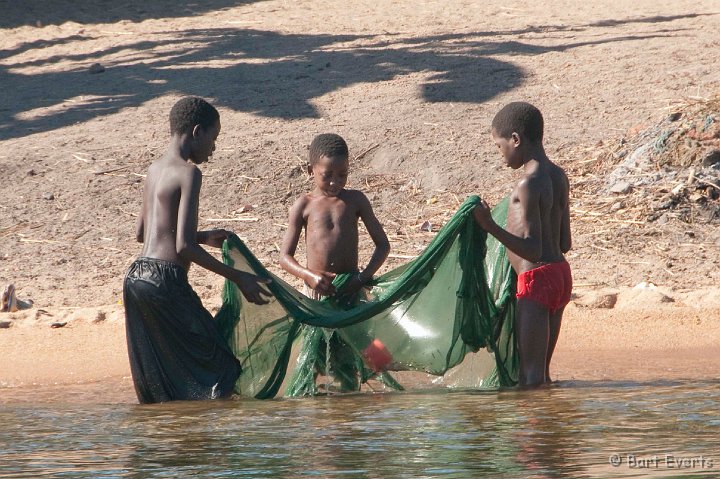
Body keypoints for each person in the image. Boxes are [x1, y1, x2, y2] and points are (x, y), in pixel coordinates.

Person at [123, 96, 272, 404]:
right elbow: (183, 246)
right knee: (220, 367)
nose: (213, 148)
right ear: (196, 132)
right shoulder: (189, 173)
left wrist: (204, 235)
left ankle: (174, 437)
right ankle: (210, 443)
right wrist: (238, 277)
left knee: (161, 372)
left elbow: (143, 233)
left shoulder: (154, 169)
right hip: (166, 281)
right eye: (213, 139)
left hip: (136, 278)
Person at [280, 133, 390, 390]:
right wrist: (308, 276)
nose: (335, 181)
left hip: (351, 289)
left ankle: (366, 389)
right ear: (310, 171)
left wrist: (362, 278)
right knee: (316, 349)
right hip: (317, 294)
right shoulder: (303, 205)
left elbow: (383, 245)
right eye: (327, 174)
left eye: (342, 174)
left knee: (359, 343)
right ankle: (326, 398)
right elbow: (285, 257)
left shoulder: (355, 200)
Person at [473, 102, 572, 388]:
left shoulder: (527, 185)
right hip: (561, 276)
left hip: (536, 281)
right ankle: (550, 430)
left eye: (499, 146)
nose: (500, 155)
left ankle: (533, 434)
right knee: (543, 375)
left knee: (529, 380)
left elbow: (532, 249)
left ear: (515, 139)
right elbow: (564, 242)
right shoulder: (559, 176)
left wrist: (489, 225)